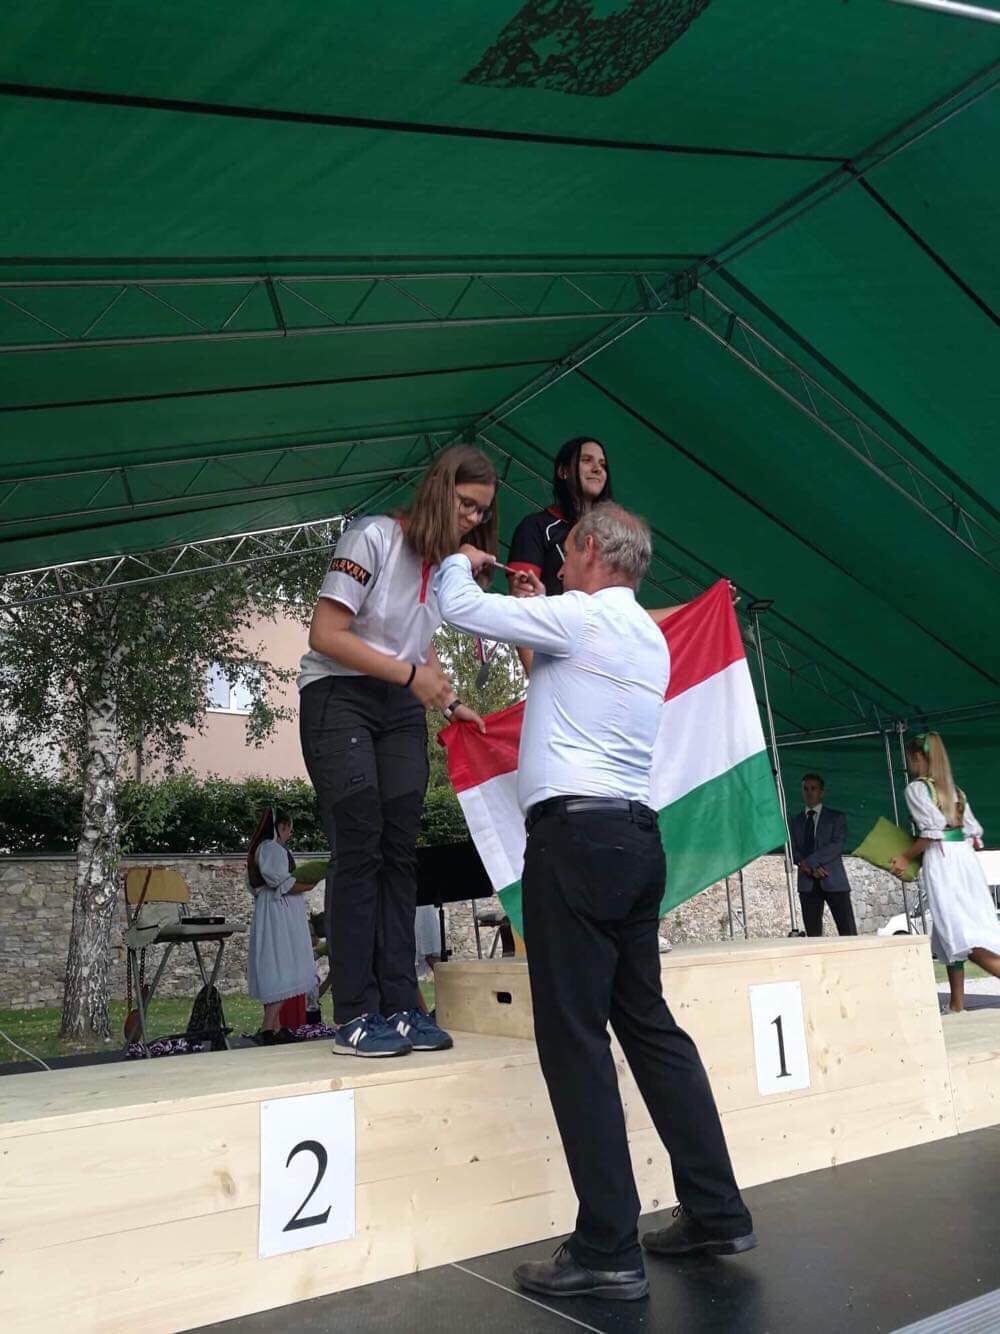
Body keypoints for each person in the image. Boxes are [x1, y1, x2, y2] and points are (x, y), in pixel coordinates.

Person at [435, 502, 755, 1302]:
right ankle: (715, 1209)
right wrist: (540, 604)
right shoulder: (644, 634)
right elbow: (559, 674)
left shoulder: (577, 619)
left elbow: (457, 607)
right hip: (635, 840)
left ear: (587, 549)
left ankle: (607, 1246)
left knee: (575, 1038)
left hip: (573, 841)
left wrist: (461, 561)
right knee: (648, 1025)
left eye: (566, 552)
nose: (559, 562)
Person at [298, 445, 496, 1058]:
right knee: (359, 845)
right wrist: (412, 678)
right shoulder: (372, 538)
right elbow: (325, 634)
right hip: (339, 696)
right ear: (439, 490)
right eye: (465, 504)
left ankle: (403, 1004)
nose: (472, 519)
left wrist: (448, 699)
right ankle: (355, 1013)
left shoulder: (441, 569)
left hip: (400, 707)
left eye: (481, 512)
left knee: (399, 851)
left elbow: (419, 641)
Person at [891, 732, 1000, 1015]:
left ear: (917, 757)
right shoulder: (956, 792)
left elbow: (933, 831)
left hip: (944, 861)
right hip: (964, 859)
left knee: (962, 935)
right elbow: (973, 833)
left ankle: (957, 1002)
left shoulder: (917, 789)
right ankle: (956, 1004)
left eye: (909, 758)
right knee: (948, 931)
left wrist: (905, 856)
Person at [507, 436, 612, 673]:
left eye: (603, 464)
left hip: (605, 663)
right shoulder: (536, 527)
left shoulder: (613, 536)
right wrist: (537, 677)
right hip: (556, 659)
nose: (597, 469)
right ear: (563, 471)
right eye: (587, 460)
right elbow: (522, 608)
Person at [246, 808, 316, 1044]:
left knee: (275, 965)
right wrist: (311, 883)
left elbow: (258, 884)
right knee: (284, 965)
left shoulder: (259, 849)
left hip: (272, 908)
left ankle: (275, 1028)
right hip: (279, 911)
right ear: (282, 827)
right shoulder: (272, 848)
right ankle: (267, 1028)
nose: (289, 834)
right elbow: (282, 883)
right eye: (289, 829)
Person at [789, 773, 857, 937]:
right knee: (813, 934)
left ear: (821, 792)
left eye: (813, 788)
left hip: (833, 880)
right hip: (807, 883)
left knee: (847, 931)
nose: (809, 792)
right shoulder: (795, 821)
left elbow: (836, 845)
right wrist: (808, 867)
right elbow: (792, 849)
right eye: (805, 789)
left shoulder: (836, 818)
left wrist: (811, 863)